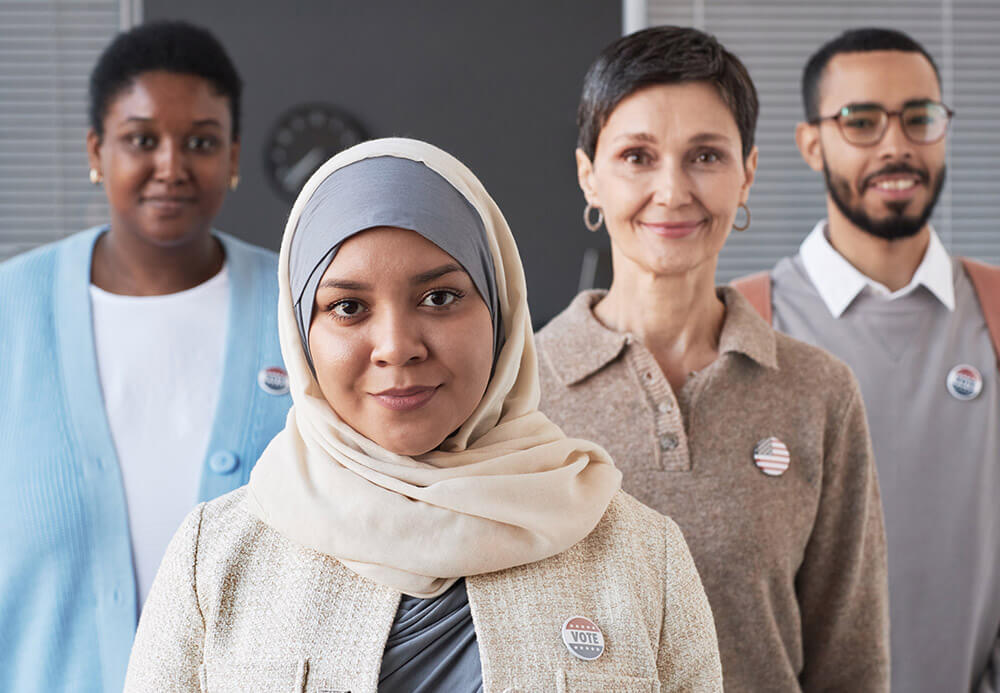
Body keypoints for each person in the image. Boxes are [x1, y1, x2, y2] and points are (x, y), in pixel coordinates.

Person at [123, 137, 723, 692]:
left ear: (502, 311)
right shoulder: (218, 558)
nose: (397, 345)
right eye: (349, 307)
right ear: (301, 334)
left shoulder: (639, 556)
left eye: (440, 298)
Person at [535, 26, 889, 691]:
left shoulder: (820, 394)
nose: (672, 191)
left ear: (747, 172)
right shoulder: (514, 392)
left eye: (705, 155)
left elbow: (852, 661)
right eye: (637, 156)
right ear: (590, 177)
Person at [0, 21, 291, 692]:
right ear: (97, 151)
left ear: (234, 155)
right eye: (141, 139)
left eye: (200, 141)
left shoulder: (302, 309)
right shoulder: (13, 313)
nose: (171, 166)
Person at [731, 27, 1000, 693]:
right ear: (812, 142)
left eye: (920, 117)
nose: (896, 144)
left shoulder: (997, 313)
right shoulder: (740, 323)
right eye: (861, 120)